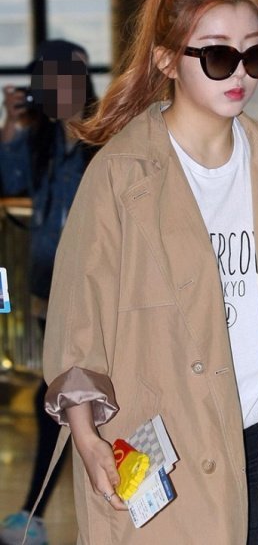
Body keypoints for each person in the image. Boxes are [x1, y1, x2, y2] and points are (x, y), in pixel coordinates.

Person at [41, 0, 258, 545]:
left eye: (255, 55)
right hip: (166, 450)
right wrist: (86, 436)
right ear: (168, 59)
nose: (240, 74)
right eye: (217, 56)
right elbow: (78, 318)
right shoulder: (121, 174)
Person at [0, 39, 97, 545]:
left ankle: (34, 513)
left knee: (65, 397)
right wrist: (11, 122)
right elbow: (9, 175)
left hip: (92, 291)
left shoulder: (106, 138)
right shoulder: (40, 141)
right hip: (47, 291)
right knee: (64, 398)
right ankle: (35, 513)